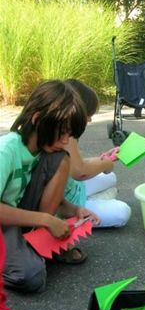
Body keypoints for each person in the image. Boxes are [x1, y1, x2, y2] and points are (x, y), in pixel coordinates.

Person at [0, 80, 99, 293]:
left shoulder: (43, 151)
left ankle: (37, 241)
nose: (65, 141)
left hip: (18, 217)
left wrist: (75, 210)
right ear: (37, 119)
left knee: (61, 159)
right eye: (62, 132)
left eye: (69, 135)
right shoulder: (6, 151)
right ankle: (23, 253)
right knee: (31, 277)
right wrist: (46, 219)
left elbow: (42, 195)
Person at [63, 79, 131, 228]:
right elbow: (79, 172)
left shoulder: (64, 128)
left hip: (70, 188)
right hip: (66, 201)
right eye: (88, 114)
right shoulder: (67, 133)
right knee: (122, 212)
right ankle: (90, 205)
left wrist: (102, 159)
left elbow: (74, 164)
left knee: (111, 178)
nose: (90, 119)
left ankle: (100, 199)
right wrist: (106, 164)